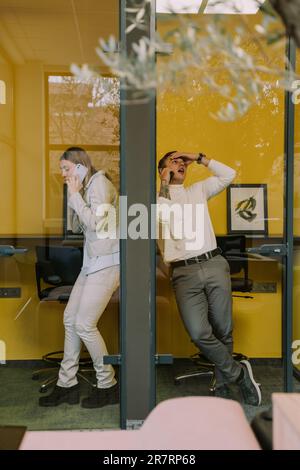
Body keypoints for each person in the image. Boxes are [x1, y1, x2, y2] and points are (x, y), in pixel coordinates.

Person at [157, 150, 261, 405]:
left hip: (213, 262)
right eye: (173, 161)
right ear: (162, 170)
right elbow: (162, 216)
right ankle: (238, 374)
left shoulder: (198, 190)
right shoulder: (158, 199)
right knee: (199, 332)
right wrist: (164, 182)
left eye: (182, 162)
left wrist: (200, 157)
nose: (180, 164)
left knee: (223, 329)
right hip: (183, 272)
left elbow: (229, 175)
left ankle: (224, 386)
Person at [39, 147, 119, 408]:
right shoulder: (87, 188)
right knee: (71, 319)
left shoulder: (100, 185)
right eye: (61, 169)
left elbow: (97, 224)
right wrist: (74, 195)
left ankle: (108, 385)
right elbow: (76, 226)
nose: (63, 174)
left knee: (84, 323)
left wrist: (74, 195)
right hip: (92, 263)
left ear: (81, 166)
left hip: (107, 263)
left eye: (66, 168)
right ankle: (67, 384)